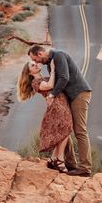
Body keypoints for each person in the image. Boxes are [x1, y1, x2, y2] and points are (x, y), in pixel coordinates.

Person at [28, 44, 92, 177]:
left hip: (79, 94)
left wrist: (51, 95)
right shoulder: (50, 62)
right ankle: (70, 163)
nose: (36, 62)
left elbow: (64, 78)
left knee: (80, 131)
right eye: (34, 63)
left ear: (40, 54)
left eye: (35, 60)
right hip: (70, 97)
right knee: (65, 128)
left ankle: (85, 168)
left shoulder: (58, 56)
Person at [17, 59, 73, 173]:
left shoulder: (42, 77)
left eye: (35, 63)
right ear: (29, 72)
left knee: (63, 130)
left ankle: (53, 158)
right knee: (66, 128)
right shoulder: (35, 82)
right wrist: (52, 69)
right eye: (33, 65)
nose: (36, 65)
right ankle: (60, 159)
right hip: (56, 106)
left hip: (61, 103)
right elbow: (50, 85)